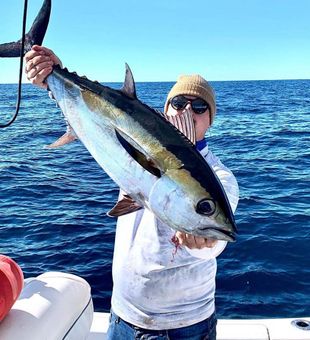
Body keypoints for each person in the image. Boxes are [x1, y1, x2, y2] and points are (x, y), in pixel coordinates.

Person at [25, 45, 239, 340]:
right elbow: (96, 119)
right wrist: (52, 77)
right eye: (179, 102)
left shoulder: (220, 177)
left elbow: (215, 244)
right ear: (166, 110)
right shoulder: (140, 139)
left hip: (187, 326)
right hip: (123, 316)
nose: (188, 110)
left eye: (200, 106)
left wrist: (204, 243)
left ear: (210, 119)